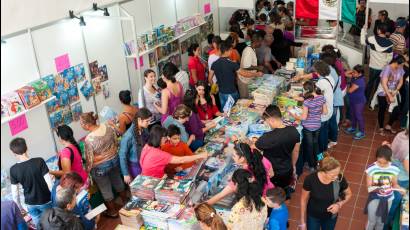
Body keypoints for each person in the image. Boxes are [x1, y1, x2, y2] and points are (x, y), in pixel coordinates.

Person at [80, 112, 126, 218]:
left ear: (87, 125)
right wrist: (108, 153)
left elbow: (90, 159)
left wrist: (87, 171)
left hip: (100, 167)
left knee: (105, 188)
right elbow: (116, 142)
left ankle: (113, 212)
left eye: (81, 124)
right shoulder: (107, 127)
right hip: (114, 160)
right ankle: (126, 202)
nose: (81, 126)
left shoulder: (89, 139)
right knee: (118, 181)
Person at [206, 142, 274, 205]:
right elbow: (272, 174)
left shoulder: (242, 175)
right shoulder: (260, 158)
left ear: (242, 158)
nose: (232, 158)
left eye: (234, 156)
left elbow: (220, 195)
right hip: (271, 193)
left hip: (261, 200)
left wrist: (201, 206)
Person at [255, 105, 300, 197]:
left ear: (271, 120)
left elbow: (254, 148)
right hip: (287, 168)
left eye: (267, 122)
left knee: (272, 194)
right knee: (283, 189)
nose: (267, 124)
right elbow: (296, 151)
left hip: (273, 172)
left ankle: (275, 207)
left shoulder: (268, 137)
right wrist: (293, 165)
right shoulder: (294, 131)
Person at [9, 138, 52, 227]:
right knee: (51, 224)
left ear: (14, 153)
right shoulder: (39, 161)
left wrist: (19, 207)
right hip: (45, 200)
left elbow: (15, 194)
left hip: (30, 203)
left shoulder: (13, 169)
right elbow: (50, 184)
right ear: (27, 147)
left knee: (38, 226)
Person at [300, 157, 353, 230]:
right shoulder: (310, 179)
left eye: (337, 173)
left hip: (330, 217)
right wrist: (303, 222)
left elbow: (349, 194)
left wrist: (339, 204)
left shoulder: (339, 178)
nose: (336, 177)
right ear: (324, 172)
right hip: (313, 216)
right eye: (333, 175)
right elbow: (303, 200)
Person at [208, 40, 263, 108]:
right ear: (226, 51)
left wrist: (214, 88)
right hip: (231, 92)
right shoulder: (232, 64)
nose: (231, 52)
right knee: (234, 111)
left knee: (224, 110)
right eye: (231, 50)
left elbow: (210, 78)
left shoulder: (215, 63)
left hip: (221, 93)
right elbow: (244, 74)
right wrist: (256, 74)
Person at [139, 125, 209, 178]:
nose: (166, 140)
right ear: (160, 138)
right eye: (165, 138)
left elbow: (141, 162)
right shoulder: (160, 152)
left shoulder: (147, 146)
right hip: (155, 179)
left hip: (147, 177)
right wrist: (200, 155)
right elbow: (181, 160)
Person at [364, 145, 406, 230]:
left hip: (388, 199)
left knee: (381, 221)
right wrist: (378, 188)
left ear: (390, 159)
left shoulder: (394, 168)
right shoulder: (371, 168)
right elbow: (368, 187)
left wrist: (400, 189)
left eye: (385, 163)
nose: (382, 165)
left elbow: (394, 184)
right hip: (374, 198)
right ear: (376, 158)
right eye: (379, 162)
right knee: (372, 221)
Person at [291, 81, 327, 175]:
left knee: (310, 146)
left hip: (308, 127)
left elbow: (304, 117)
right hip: (317, 125)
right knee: (316, 144)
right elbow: (325, 112)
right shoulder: (322, 97)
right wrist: (315, 112)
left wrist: (294, 115)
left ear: (307, 90)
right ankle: (321, 161)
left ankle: (312, 166)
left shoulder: (307, 102)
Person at [372, 55, 405, 135]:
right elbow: (383, 83)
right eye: (402, 64)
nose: (402, 66)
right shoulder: (387, 68)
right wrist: (389, 95)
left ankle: (389, 125)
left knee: (396, 109)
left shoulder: (400, 69)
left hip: (393, 90)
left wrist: (395, 91)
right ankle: (381, 128)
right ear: (397, 63)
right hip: (383, 90)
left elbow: (401, 81)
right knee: (382, 108)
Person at [361, 23, 394, 102]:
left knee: (370, 83)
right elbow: (390, 58)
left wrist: (363, 31)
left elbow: (362, 42)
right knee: (379, 85)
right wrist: (385, 64)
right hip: (383, 68)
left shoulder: (371, 39)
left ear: (379, 30)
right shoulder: (390, 43)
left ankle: (366, 99)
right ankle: (374, 101)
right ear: (386, 32)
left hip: (373, 66)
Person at [119, 108, 152, 184]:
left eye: (149, 120)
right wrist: (126, 174)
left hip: (144, 162)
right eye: (147, 121)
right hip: (135, 166)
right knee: (139, 186)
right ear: (140, 120)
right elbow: (122, 156)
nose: (149, 123)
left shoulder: (144, 129)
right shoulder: (128, 136)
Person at [314, 61, 335, 154]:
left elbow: (314, 96)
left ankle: (320, 156)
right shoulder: (330, 78)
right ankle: (324, 151)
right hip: (329, 110)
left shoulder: (321, 82)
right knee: (324, 133)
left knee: (319, 138)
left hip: (322, 113)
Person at [238, 32, 264, 99]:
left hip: (248, 78)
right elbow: (246, 67)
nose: (261, 43)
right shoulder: (248, 51)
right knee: (244, 99)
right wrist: (258, 67)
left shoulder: (252, 49)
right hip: (244, 80)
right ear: (256, 42)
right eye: (261, 42)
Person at [344, 65, 367, 140]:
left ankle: (362, 132)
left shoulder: (359, 81)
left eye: (354, 72)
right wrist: (353, 71)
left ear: (360, 74)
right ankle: (353, 127)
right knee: (352, 114)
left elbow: (349, 90)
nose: (352, 74)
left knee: (358, 116)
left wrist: (347, 84)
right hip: (353, 100)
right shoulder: (355, 77)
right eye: (353, 72)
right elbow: (345, 74)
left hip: (359, 102)